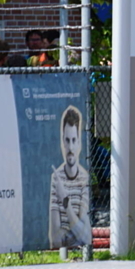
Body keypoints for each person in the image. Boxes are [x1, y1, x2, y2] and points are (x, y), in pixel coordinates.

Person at [49, 105, 91, 248]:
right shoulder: (56, 178)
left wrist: (65, 202)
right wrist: (76, 229)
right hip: (64, 251)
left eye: (74, 140)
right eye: (67, 140)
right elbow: (55, 237)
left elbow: (86, 238)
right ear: (62, 141)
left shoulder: (84, 178)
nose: (71, 148)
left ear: (79, 142)